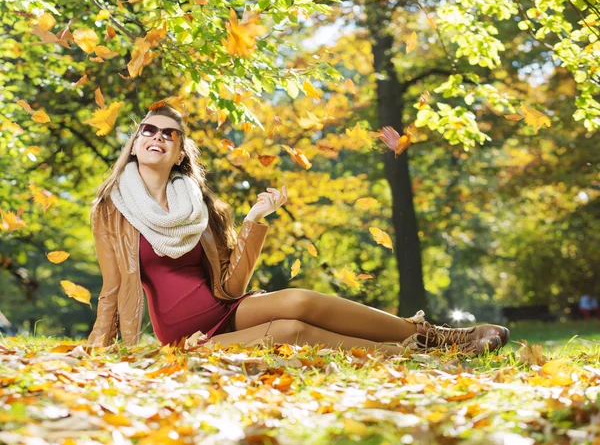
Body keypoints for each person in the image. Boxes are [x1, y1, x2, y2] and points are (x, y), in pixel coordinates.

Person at [86, 104, 510, 356]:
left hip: (225, 308)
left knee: (301, 300)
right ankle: (419, 355)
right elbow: (112, 288)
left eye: (169, 133)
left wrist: (253, 222)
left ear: (180, 152)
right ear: (136, 142)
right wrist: (104, 353)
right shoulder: (111, 209)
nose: (157, 137)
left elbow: (232, 285)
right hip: (185, 336)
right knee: (291, 331)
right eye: (149, 130)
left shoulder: (201, 206)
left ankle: (442, 336)